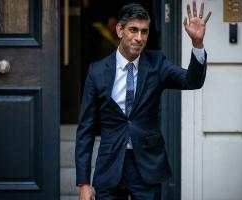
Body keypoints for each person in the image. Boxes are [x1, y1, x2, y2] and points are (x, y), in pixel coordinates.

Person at [75, 2, 211, 200]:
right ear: (119, 30)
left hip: (147, 168)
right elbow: (85, 130)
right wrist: (84, 183)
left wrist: (197, 44)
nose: (139, 38)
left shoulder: (157, 64)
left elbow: (193, 80)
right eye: (133, 30)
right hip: (110, 168)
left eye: (144, 32)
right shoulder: (97, 71)